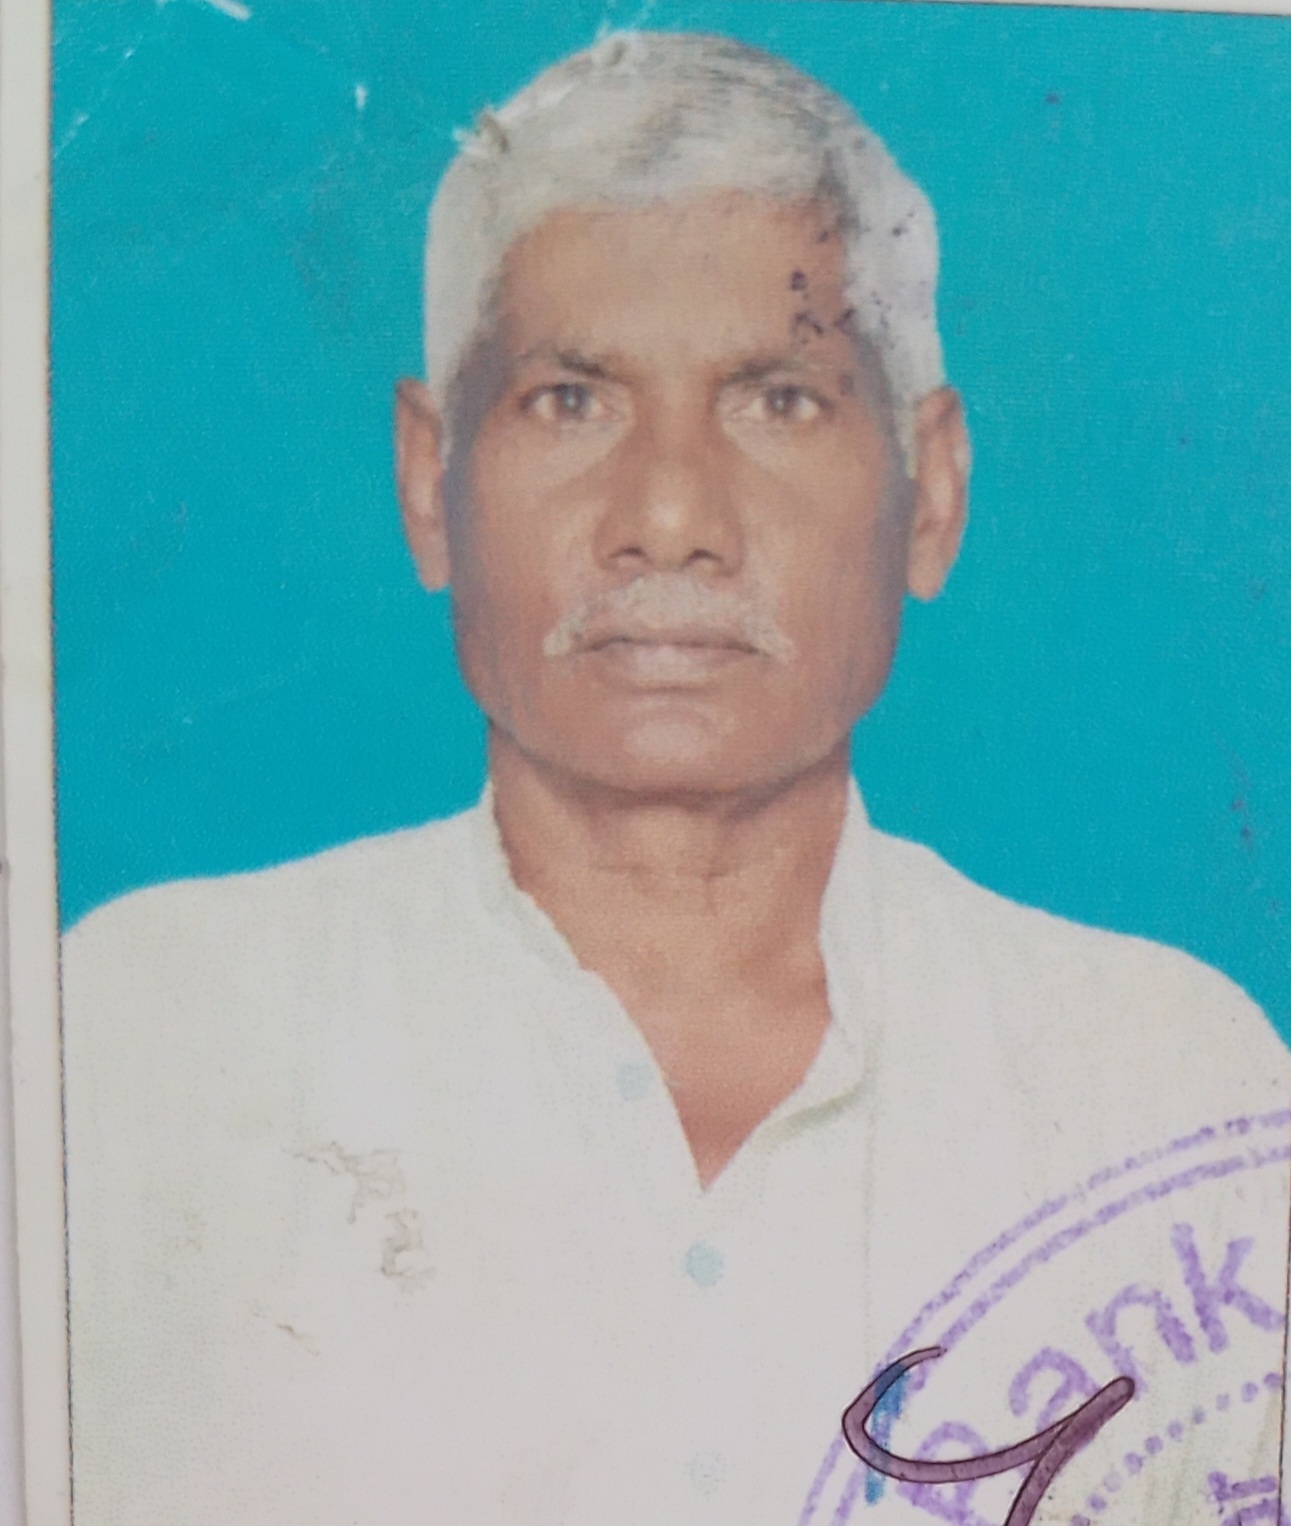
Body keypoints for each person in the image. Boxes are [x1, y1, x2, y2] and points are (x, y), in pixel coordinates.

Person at [61, 31, 1291, 1526]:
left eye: (779, 400)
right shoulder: (135, 1047)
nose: (667, 515)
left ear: (933, 491)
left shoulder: (1165, 1090)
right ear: (428, 479)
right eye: (571, 400)